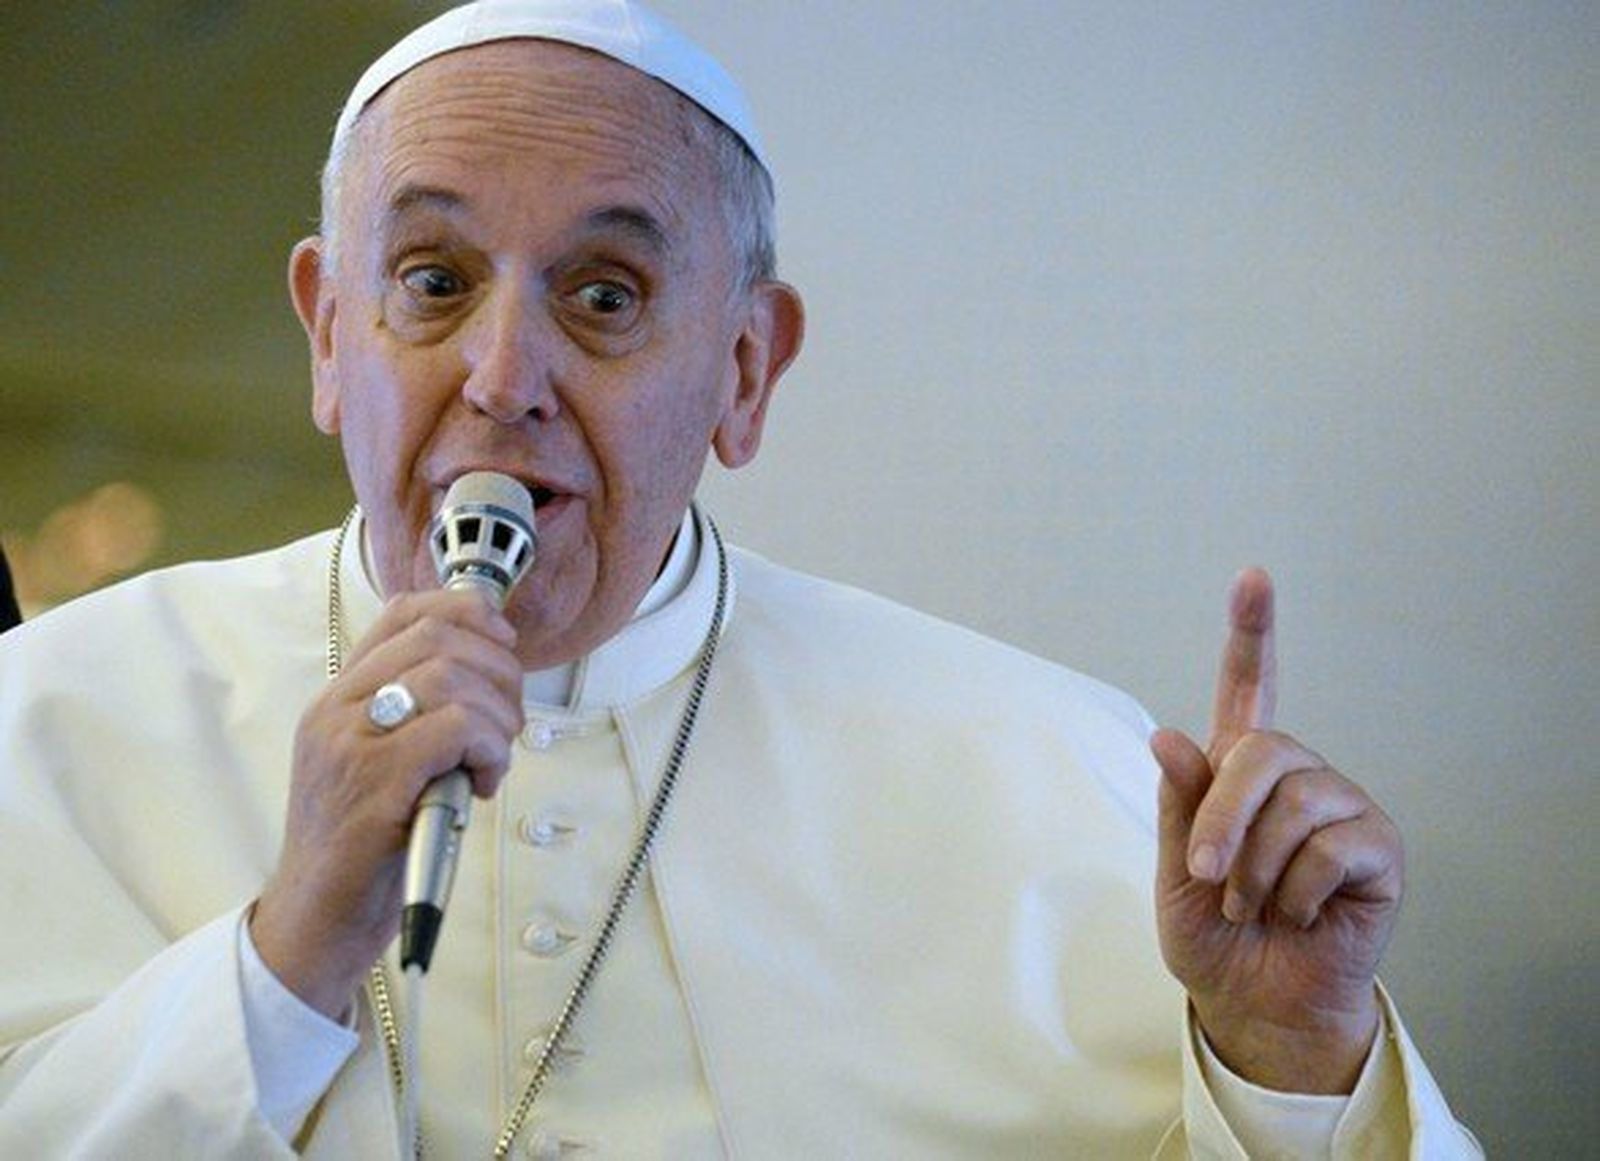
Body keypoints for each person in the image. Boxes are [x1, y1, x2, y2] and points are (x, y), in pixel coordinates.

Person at [0, 3, 1480, 1157]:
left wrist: (1290, 1065)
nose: (503, 378)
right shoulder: (51, 719)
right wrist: (286, 954)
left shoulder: (1048, 768)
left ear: (745, 369)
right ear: (331, 335)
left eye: (604, 296)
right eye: (435, 282)